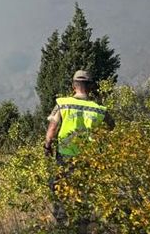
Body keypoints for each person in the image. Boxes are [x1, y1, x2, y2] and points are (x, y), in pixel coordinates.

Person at [43, 70, 109, 229]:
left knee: (59, 189)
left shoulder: (63, 103)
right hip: (88, 157)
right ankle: (82, 226)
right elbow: (111, 126)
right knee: (84, 193)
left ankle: (62, 226)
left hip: (65, 155)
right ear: (91, 87)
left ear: (73, 86)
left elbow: (52, 127)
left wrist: (47, 145)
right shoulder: (99, 109)